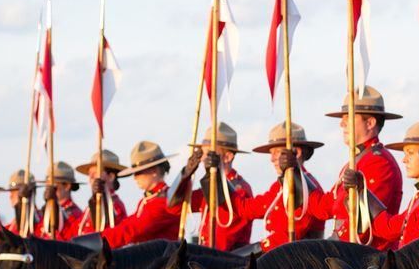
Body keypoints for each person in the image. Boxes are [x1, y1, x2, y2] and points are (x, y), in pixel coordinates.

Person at [307, 87, 404, 250]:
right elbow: (323, 208)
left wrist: (328, 246)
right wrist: (295, 174)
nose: (341, 123)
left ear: (370, 123)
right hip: (347, 249)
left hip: (367, 258)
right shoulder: (356, 161)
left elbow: (364, 225)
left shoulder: (378, 162)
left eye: (348, 117)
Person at [238, 122, 328, 250]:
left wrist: (254, 250)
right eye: (271, 153)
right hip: (278, 255)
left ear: (296, 153)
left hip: (296, 260)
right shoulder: (279, 186)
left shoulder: (305, 187)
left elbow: (288, 236)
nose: (272, 158)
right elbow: (247, 209)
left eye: (276, 152)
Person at [169, 122, 254, 251]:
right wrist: (185, 175)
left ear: (227, 157)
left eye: (209, 153)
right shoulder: (208, 189)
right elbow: (175, 207)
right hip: (209, 256)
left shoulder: (239, 189)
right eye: (203, 153)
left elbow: (222, 240)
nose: (203, 159)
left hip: (229, 261)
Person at [97, 141, 184, 248]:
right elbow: (128, 223)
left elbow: (134, 230)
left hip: (162, 260)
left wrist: (99, 241)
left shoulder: (164, 200)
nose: (134, 177)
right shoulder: (149, 199)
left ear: (153, 171)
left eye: (138, 172)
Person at [73, 150, 128, 236]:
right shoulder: (90, 206)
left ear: (110, 177)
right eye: (89, 174)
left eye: (95, 173)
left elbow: (109, 225)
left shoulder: (115, 205)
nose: (91, 177)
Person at [35, 161, 81, 239]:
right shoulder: (44, 213)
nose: (47, 189)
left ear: (67, 186)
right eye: (47, 185)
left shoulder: (75, 215)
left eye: (53, 186)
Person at [4, 170, 39, 236]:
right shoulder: (10, 226)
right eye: (11, 192)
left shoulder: (40, 222)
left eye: (14, 191)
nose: (10, 196)